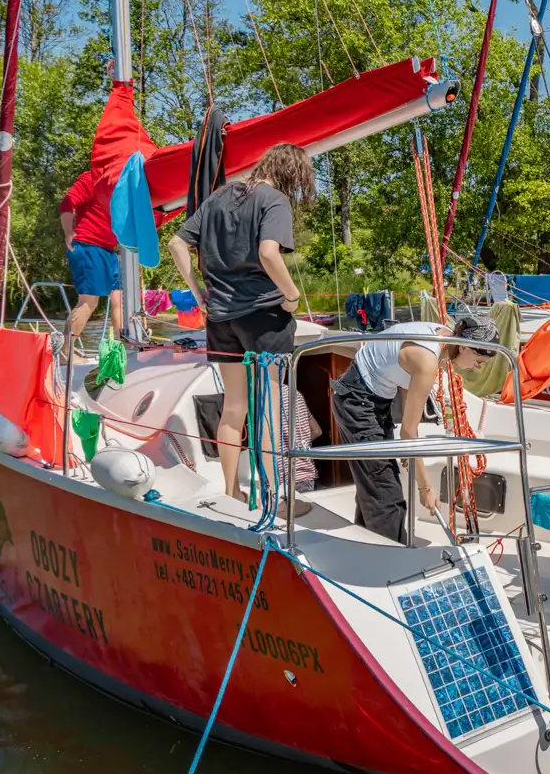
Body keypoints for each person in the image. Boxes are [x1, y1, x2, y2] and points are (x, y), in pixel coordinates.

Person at [168, 143, 318, 507]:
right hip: (264, 317)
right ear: (292, 176)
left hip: (220, 318)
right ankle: (274, 498)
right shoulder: (274, 200)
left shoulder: (219, 197)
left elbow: (176, 244)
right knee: (268, 407)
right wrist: (292, 295)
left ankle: (233, 491)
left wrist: (199, 293)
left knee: (234, 407)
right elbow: (268, 252)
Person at [331, 314, 495, 544]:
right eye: (479, 361)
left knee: (376, 482)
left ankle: (367, 544)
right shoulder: (428, 361)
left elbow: (407, 385)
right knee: (385, 491)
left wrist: (408, 452)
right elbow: (408, 431)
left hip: (368, 399)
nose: (477, 369)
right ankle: (391, 557)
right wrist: (425, 488)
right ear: (465, 346)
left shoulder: (440, 335)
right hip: (358, 401)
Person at [59, 168, 123, 343]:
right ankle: (65, 353)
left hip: (109, 251)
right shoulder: (92, 178)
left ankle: (122, 348)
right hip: (88, 245)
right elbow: (67, 203)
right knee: (89, 301)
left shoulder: (123, 183)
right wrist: (68, 232)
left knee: (118, 300)